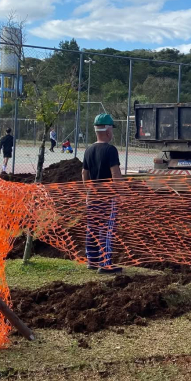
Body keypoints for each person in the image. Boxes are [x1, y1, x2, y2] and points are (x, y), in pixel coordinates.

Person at [82, 114, 123, 273]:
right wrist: (121, 193)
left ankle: (92, 261)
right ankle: (105, 264)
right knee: (106, 229)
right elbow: (115, 173)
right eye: (112, 129)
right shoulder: (110, 150)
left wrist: (89, 192)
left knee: (92, 228)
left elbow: (84, 174)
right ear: (107, 131)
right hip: (108, 198)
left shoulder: (88, 149)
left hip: (92, 198)